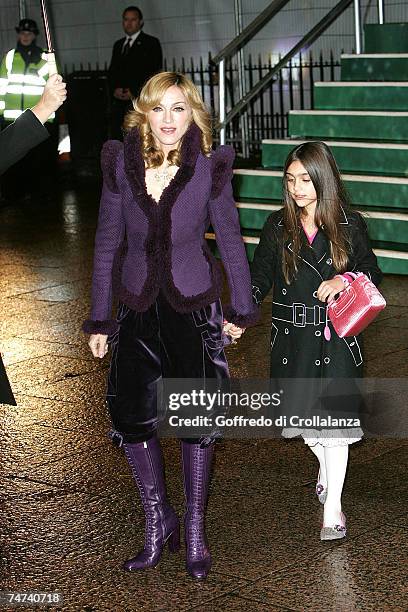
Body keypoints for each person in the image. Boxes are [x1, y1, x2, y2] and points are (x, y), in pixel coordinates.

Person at [83, 72, 257, 578]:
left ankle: (196, 528)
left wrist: (239, 309)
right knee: (133, 415)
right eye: (158, 108)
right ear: (143, 112)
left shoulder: (209, 167)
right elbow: (106, 242)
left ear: (193, 114)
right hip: (137, 305)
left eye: (178, 109)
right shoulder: (122, 163)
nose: (167, 120)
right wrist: (100, 317)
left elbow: (229, 240)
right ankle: (158, 522)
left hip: (193, 304)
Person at [250, 141, 382, 541]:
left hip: (336, 338)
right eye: (290, 180)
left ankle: (333, 510)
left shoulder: (349, 224)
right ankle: (326, 469)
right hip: (292, 340)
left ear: (324, 179)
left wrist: (345, 279)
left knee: (335, 426)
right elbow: (259, 279)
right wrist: (239, 313)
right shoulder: (277, 226)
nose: (297, 189)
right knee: (305, 425)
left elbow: (371, 270)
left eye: (306, 180)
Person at [0, 18, 58, 200]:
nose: (25, 36)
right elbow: (1, 86)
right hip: (12, 119)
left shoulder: (43, 58)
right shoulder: (10, 57)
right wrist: (1, 113)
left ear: (34, 35)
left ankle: (37, 197)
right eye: (23, 32)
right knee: (14, 162)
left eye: (29, 33)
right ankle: (13, 195)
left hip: (38, 119)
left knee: (37, 163)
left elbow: (53, 86)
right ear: (18, 34)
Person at [108, 5, 162, 140]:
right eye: (126, 20)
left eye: (133, 20)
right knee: (119, 137)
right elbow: (113, 71)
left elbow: (153, 72)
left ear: (141, 22)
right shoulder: (118, 45)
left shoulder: (151, 43)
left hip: (139, 101)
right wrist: (115, 89)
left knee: (139, 137)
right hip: (119, 103)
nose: (129, 23)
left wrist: (133, 91)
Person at [0, 73, 67, 176]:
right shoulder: (10, 58)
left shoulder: (44, 59)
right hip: (12, 125)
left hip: (40, 125)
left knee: (39, 171)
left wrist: (45, 107)